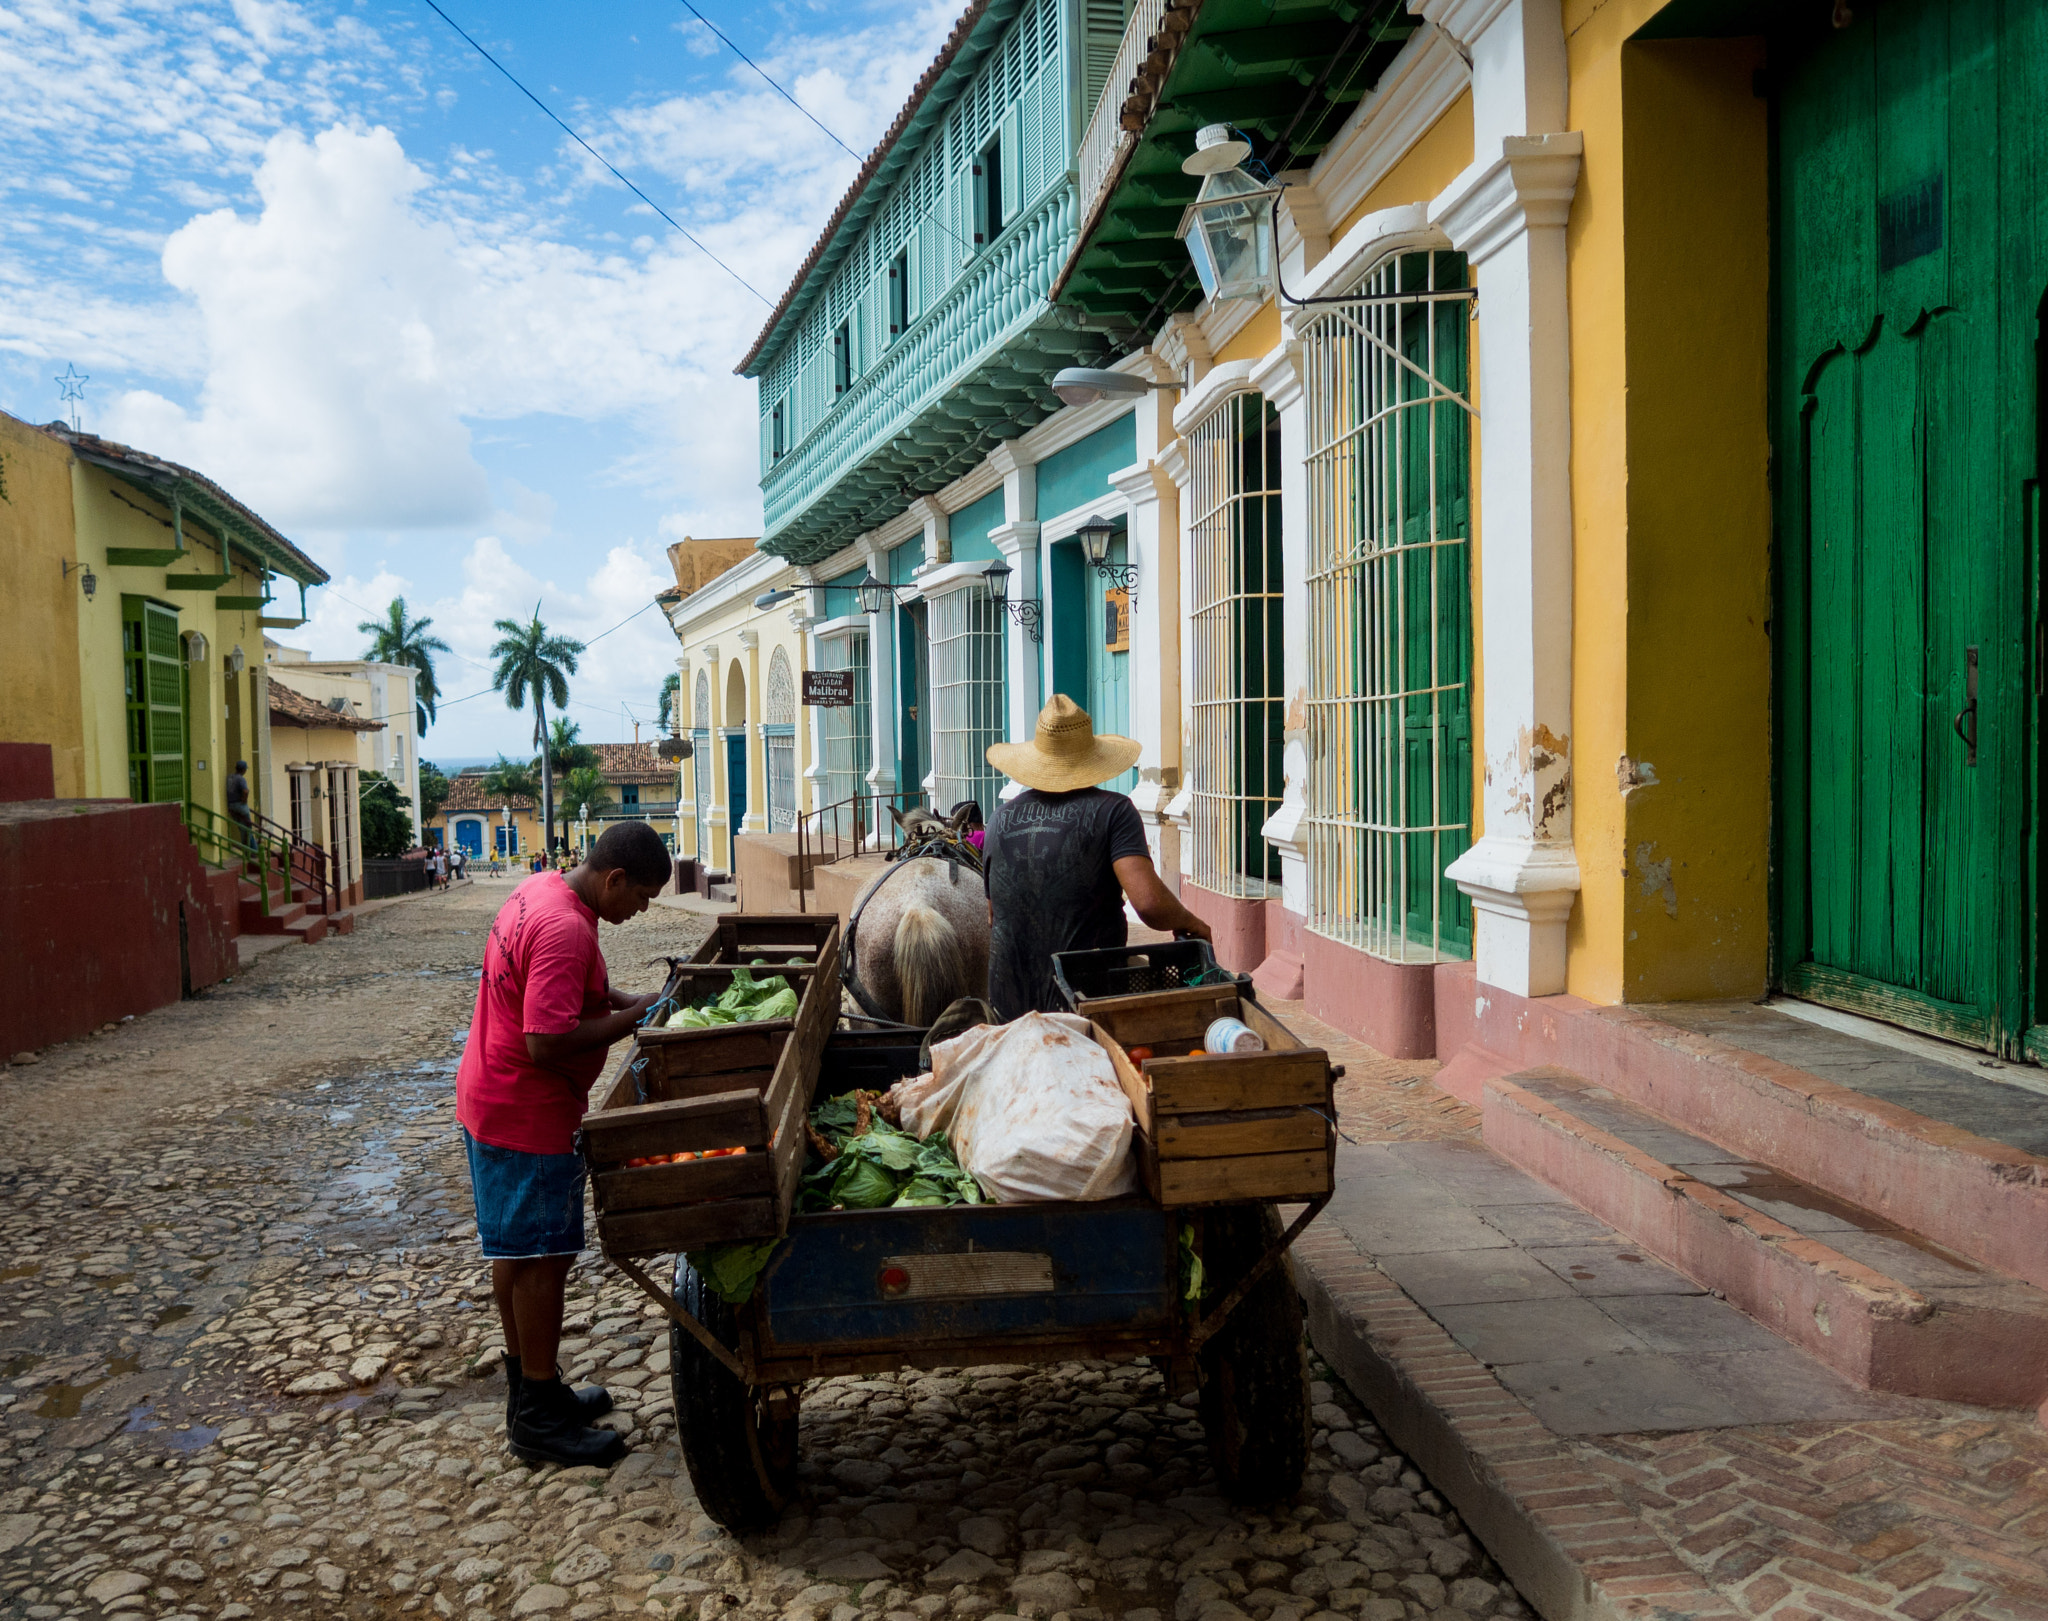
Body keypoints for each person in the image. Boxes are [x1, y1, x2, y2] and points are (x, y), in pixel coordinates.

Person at [456, 820, 671, 1467]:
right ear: (614, 879)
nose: (641, 911)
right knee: (544, 1258)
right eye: (641, 896)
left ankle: (530, 1390)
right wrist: (636, 1018)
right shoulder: (565, 926)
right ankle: (539, 1418)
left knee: (514, 1252)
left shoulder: (545, 891)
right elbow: (545, 1040)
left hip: (491, 1099)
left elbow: (587, 994)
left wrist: (643, 1000)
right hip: (527, 1114)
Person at [981, 695, 1211, 1020]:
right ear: (1091, 757)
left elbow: (995, 914)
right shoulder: (1114, 811)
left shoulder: (999, 819)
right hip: (1086, 999)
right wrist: (1191, 922)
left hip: (1008, 1003)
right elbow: (1147, 903)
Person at [224, 760, 254, 851]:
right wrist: (244, 801)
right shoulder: (241, 779)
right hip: (240, 806)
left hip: (231, 805)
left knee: (242, 828)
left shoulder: (229, 777)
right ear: (244, 770)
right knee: (248, 828)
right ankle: (254, 851)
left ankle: (246, 850)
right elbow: (245, 791)